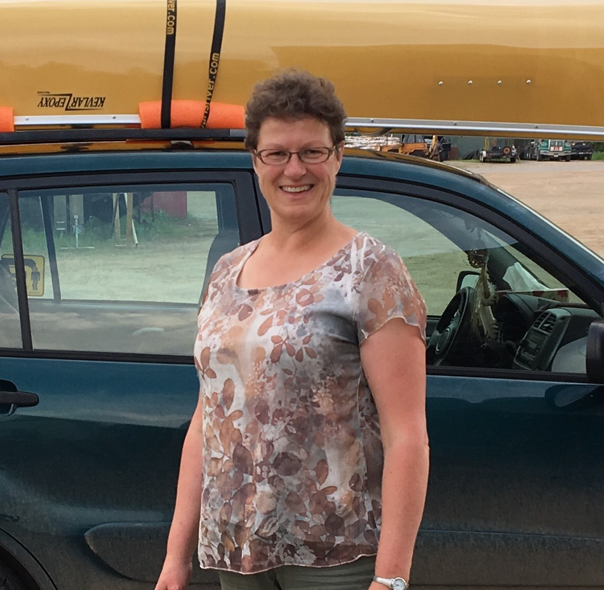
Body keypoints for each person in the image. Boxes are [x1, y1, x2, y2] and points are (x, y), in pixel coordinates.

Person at [155, 69, 430, 590]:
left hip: (336, 554)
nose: (294, 170)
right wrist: (177, 554)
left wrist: (392, 578)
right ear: (256, 161)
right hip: (234, 549)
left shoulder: (371, 271)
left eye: (312, 152)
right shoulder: (227, 271)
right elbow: (207, 422)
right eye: (277, 153)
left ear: (338, 156)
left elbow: (407, 435)